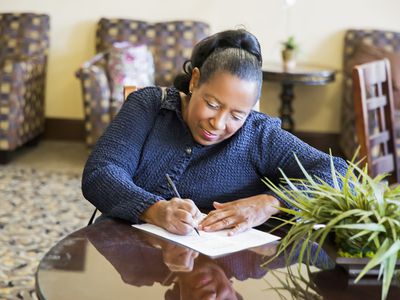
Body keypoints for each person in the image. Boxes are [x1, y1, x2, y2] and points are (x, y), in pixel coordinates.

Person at [82, 29, 348, 236]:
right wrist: (155, 210)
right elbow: (101, 173)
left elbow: (341, 173)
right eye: (212, 104)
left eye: (236, 115)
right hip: (131, 259)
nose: (218, 123)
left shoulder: (258, 134)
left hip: (215, 265)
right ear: (195, 80)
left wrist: (270, 202)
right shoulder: (150, 105)